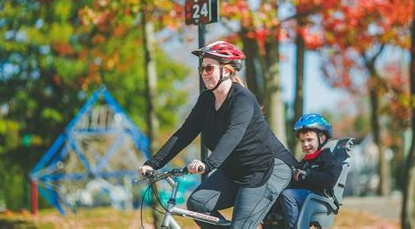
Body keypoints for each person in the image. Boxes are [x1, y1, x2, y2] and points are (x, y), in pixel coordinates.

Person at [138, 40, 299, 229]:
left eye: (208, 68)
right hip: (233, 172)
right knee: (198, 204)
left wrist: (208, 165)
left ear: (227, 70)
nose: (204, 74)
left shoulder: (242, 99)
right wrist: (152, 163)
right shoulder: (206, 100)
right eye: (202, 69)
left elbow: (233, 134)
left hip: (264, 170)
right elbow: (184, 134)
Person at [278, 113, 342, 229]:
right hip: (305, 195)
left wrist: (307, 175)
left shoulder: (330, 159)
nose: (305, 144)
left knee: (288, 195)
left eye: (309, 140)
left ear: (322, 138)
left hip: (320, 197)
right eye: (302, 141)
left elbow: (329, 181)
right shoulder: (305, 161)